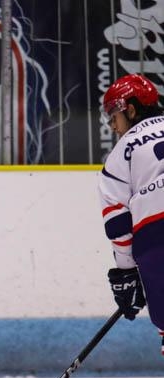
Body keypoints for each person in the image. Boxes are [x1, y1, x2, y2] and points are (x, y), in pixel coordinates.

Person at [99, 73, 164, 349]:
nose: (113, 126)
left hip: (156, 237)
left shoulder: (119, 155)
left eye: (114, 117)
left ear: (132, 109)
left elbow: (118, 223)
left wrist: (126, 272)